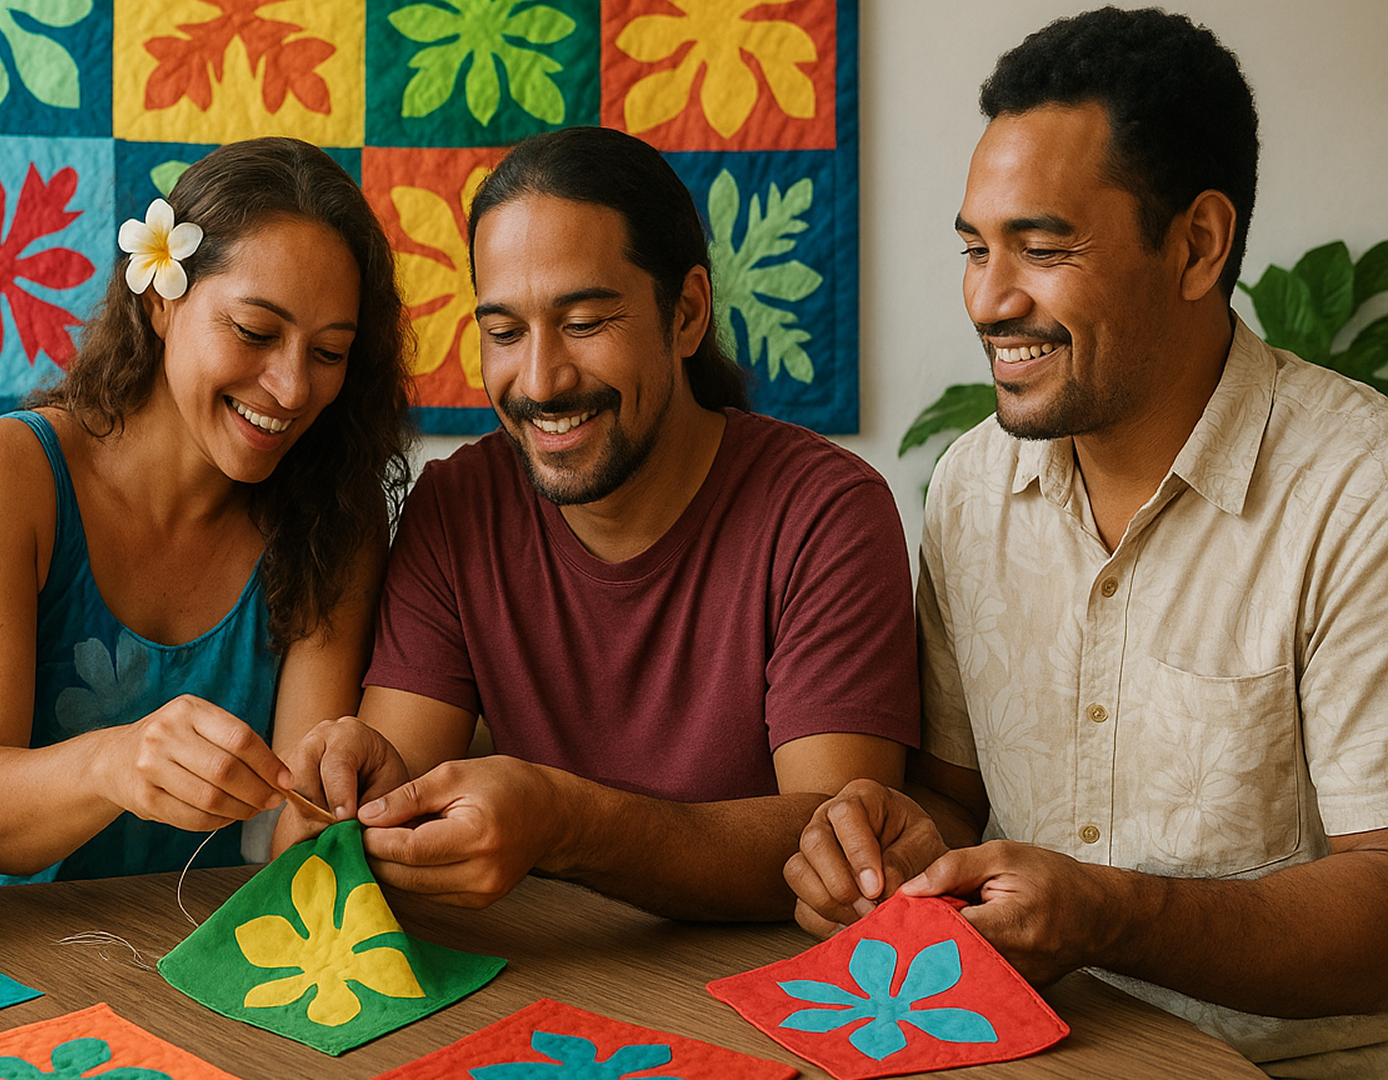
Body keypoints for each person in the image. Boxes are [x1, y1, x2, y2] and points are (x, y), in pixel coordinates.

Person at [785, 8, 1388, 1075]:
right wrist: (893, 848)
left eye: (1043, 248)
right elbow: (953, 800)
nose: (989, 299)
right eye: (975, 248)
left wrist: (1112, 916)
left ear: (1197, 244)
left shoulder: (1358, 487)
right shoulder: (971, 483)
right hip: (1015, 1048)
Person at [279, 126, 920, 920]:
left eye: (584, 323)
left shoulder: (826, 513)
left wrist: (567, 822)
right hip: (549, 984)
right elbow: (396, 798)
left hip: (777, 994)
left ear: (685, 315)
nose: (541, 381)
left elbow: (840, 845)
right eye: (505, 333)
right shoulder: (457, 506)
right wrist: (360, 785)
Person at [0, 138, 413, 888]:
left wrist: (331, 805)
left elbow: (292, 837)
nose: (290, 388)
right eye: (254, 332)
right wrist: (116, 761)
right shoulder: (7, 474)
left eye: (329, 353)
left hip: (190, 955)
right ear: (159, 300)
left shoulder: (336, 511)